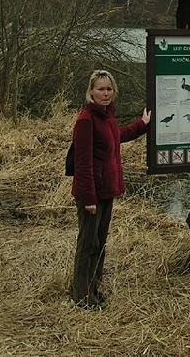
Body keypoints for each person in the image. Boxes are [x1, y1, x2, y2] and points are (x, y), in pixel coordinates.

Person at [70, 69, 150, 308]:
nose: (105, 93)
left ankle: (92, 289)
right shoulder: (86, 120)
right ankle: (82, 296)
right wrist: (88, 198)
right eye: (100, 89)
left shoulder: (107, 117)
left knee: (99, 243)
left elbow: (119, 136)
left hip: (107, 190)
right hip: (92, 194)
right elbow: (82, 163)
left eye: (109, 89)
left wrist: (143, 124)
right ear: (91, 92)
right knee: (88, 244)